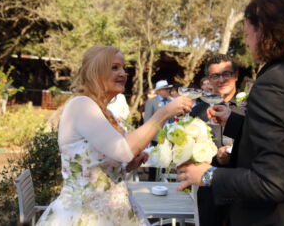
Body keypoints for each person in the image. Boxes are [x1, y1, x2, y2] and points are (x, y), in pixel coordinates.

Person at [177, 0, 284, 226]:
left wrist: (207, 175)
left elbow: (272, 182)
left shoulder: (275, 81)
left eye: (247, 33)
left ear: (264, 30)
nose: (246, 42)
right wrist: (234, 122)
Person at [36, 45, 192, 226]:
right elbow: (123, 150)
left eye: (124, 68)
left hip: (116, 212)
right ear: (96, 72)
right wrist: (165, 112)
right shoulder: (81, 105)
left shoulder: (104, 111)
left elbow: (110, 162)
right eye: (115, 67)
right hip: (85, 216)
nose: (124, 73)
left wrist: (130, 164)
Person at [191, 54, 243, 226]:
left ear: (236, 75)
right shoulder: (197, 111)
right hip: (209, 191)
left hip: (244, 188)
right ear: (208, 79)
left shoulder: (250, 109)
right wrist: (214, 156)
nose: (221, 79)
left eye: (226, 73)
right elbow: (188, 149)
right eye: (215, 75)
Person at [143, 79, 174, 180]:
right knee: (154, 160)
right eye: (165, 89)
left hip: (169, 136)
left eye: (168, 89)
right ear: (159, 91)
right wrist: (147, 136)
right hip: (156, 136)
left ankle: (163, 179)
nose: (167, 91)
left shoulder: (171, 101)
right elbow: (147, 120)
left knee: (165, 160)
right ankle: (152, 181)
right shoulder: (152, 102)